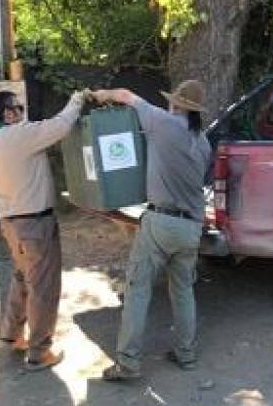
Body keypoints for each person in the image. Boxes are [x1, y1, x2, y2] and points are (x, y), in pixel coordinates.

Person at [88, 80, 212, 381]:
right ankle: (186, 354)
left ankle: (128, 362)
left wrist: (99, 95)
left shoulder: (163, 123)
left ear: (178, 104)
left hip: (161, 222)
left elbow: (127, 95)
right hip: (192, 227)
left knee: (137, 288)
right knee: (183, 291)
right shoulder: (204, 142)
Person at [0, 89, 86, 371]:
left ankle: (11, 333)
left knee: (22, 277)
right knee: (43, 286)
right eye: (18, 107)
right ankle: (39, 353)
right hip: (35, 224)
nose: (22, 111)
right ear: (8, 113)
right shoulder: (20, 135)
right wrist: (77, 99)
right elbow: (62, 126)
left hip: (11, 224)